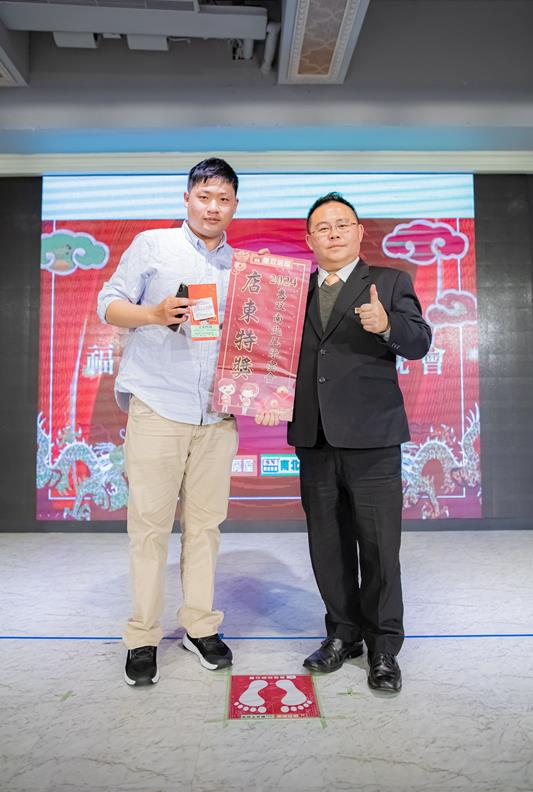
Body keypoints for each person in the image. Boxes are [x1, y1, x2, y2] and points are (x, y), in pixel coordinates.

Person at [258, 192, 431, 692]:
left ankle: (383, 649)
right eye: (322, 227)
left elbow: (419, 342)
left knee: (379, 547)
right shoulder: (293, 290)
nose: (333, 233)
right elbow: (274, 353)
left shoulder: (390, 281)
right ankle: (342, 634)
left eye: (342, 224)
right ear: (309, 240)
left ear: (359, 232)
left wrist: (387, 325)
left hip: (373, 438)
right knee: (328, 544)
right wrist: (266, 393)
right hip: (314, 437)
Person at [97, 158, 241, 686]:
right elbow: (108, 303)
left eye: (223, 199)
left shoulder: (243, 267)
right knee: (150, 528)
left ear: (235, 206)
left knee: (205, 528)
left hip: (217, 414)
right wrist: (154, 315)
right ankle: (142, 636)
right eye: (204, 196)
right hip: (159, 405)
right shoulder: (152, 245)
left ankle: (200, 627)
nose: (213, 207)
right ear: (187, 198)